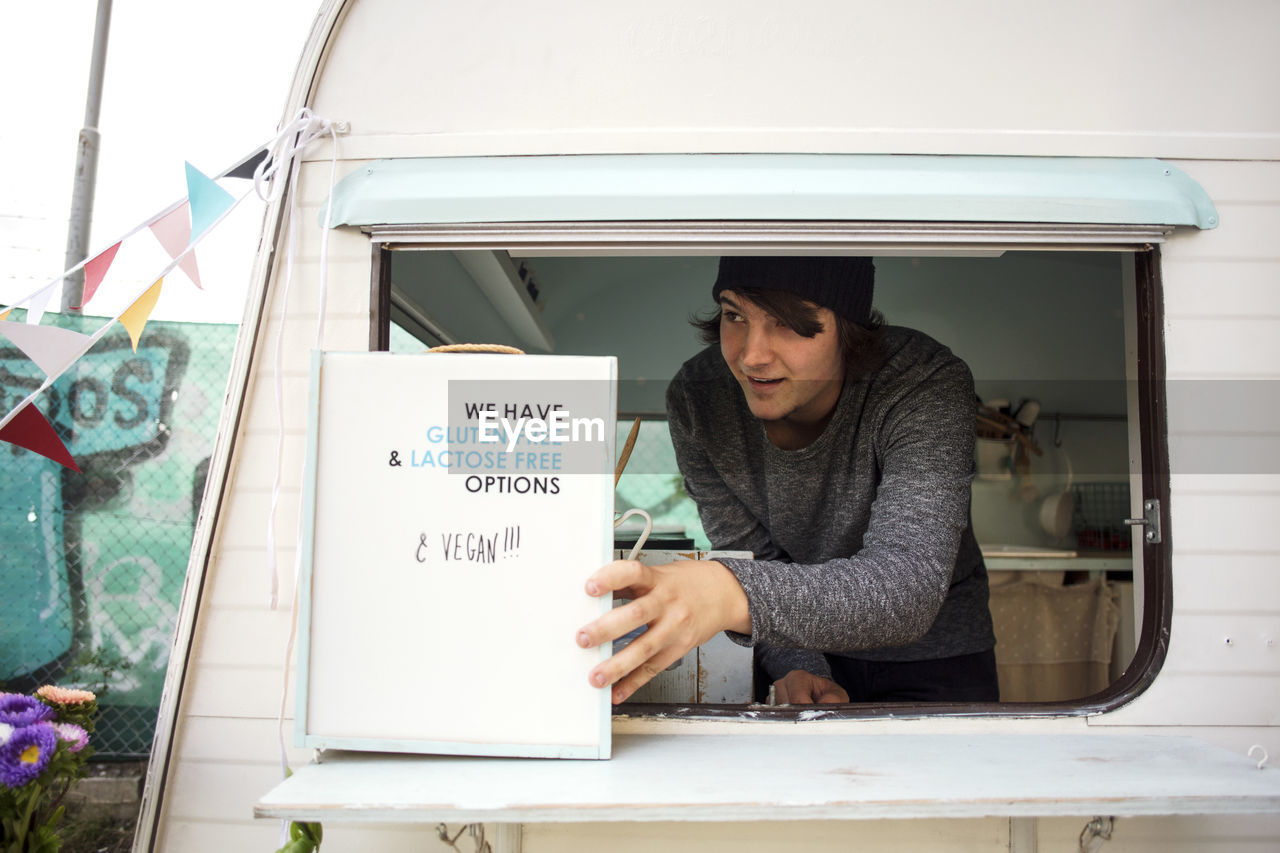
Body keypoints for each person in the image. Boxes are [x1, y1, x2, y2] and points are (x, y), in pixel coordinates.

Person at [577, 256, 997, 705]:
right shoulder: (698, 399)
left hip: (939, 656)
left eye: (789, 322)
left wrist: (726, 591)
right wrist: (798, 664)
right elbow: (753, 554)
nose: (752, 356)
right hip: (790, 645)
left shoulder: (923, 380)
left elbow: (906, 585)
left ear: (849, 329)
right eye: (734, 315)